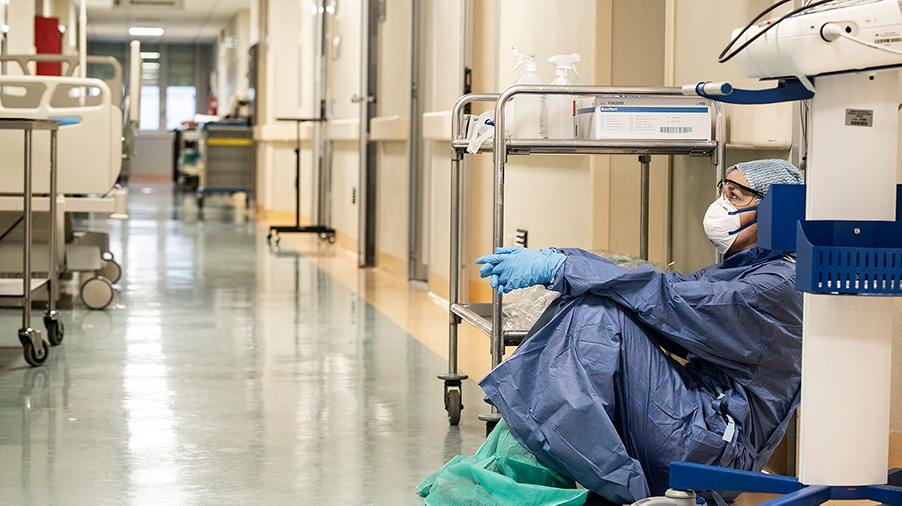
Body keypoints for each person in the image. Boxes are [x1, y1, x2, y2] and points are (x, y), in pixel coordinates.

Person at [422, 159, 805, 506]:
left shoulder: (773, 285)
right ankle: (515, 472)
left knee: (596, 316)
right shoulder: (750, 267)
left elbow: (670, 300)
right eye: (722, 192)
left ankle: (528, 479)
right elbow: (667, 304)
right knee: (594, 306)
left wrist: (564, 267)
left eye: (734, 196)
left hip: (715, 450)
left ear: (774, 210)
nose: (721, 205)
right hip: (696, 422)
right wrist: (572, 264)